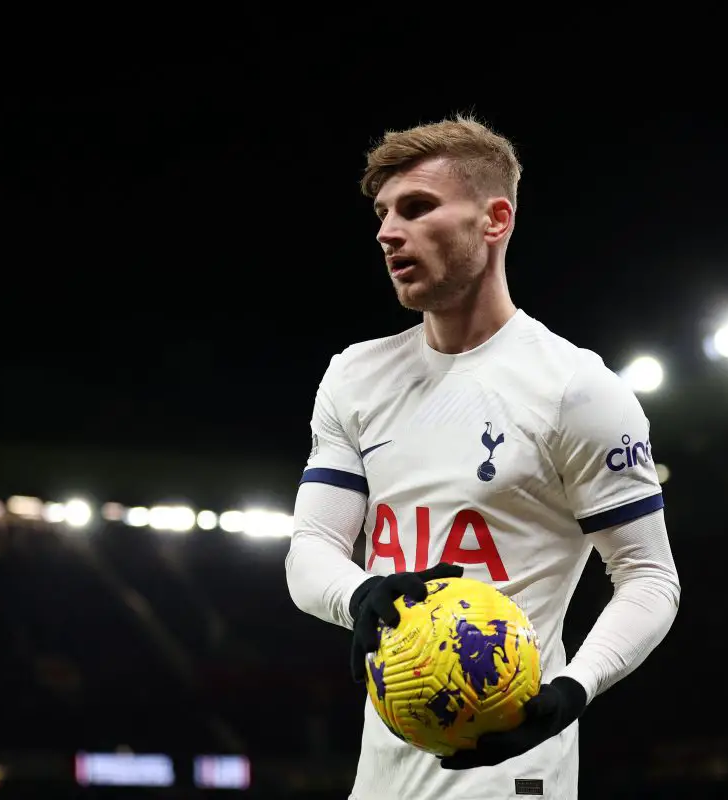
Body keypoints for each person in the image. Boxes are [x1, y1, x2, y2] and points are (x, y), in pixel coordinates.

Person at [285, 114, 681, 800]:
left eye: (417, 208)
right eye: (382, 213)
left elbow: (649, 575)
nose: (387, 231)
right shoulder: (353, 377)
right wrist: (360, 595)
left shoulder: (575, 389)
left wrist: (572, 688)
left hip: (513, 771)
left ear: (495, 220)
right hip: (381, 772)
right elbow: (310, 547)